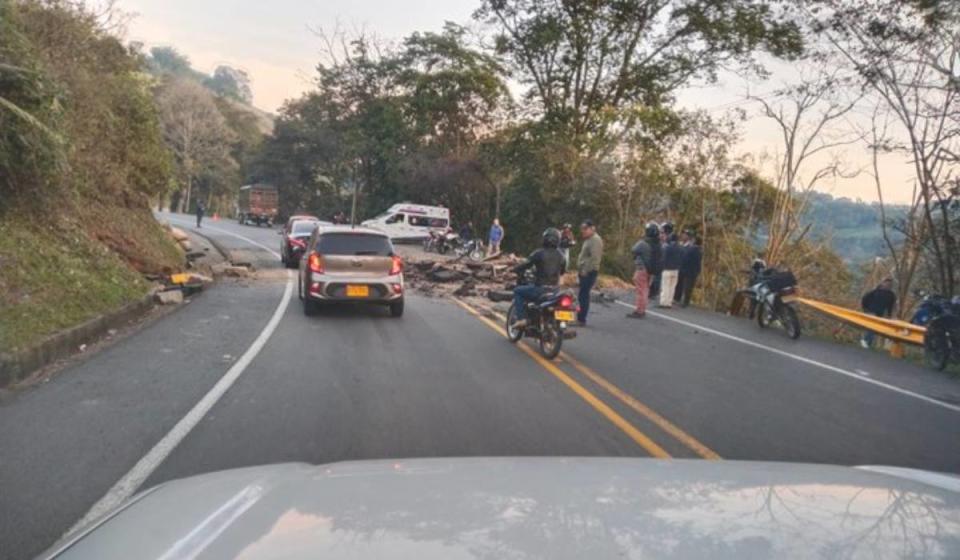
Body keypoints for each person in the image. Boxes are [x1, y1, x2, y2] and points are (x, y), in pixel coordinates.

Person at [511, 228, 566, 328]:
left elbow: (526, 264)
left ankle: (522, 319)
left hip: (540, 289)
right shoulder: (562, 256)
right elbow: (562, 272)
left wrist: (514, 269)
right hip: (555, 291)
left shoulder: (539, 253)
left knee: (517, 291)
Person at [627, 223, 661, 318]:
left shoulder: (643, 243)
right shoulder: (658, 244)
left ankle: (639, 310)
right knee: (645, 289)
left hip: (641, 268)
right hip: (651, 270)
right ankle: (642, 309)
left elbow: (633, 249)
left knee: (640, 290)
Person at [576, 220, 603, 326]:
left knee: (584, 295)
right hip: (584, 271)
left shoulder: (595, 240)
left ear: (592, 228)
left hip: (589, 272)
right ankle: (580, 317)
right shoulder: (589, 239)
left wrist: (585, 271)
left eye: (585, 229)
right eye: (582, 229)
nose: (583, 231)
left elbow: (594, 258)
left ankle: (581, 319)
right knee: (582, 294)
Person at [860, 278, 896, 348]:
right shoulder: (875, 291)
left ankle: (867, 342)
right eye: (887, 284)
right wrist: (865, 309)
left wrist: (889, 315)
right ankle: (865, 341)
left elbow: (890, 306)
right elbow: (865, 299)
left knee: (874, 328)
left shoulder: (891, 295)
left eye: (890, 285)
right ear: (883, 283)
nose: (888, 286)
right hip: (871, 311)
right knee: (872, 326)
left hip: (880, 313)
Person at [675, 230, 702, 307]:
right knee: (688, 286)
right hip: (693, 271)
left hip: (688, 270)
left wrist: (682, 267)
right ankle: (685, 301)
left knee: (687, 286)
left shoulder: (691, 249)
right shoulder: (699, 250)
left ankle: (683, 301)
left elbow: (685, 259)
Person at [660, 233, 682, 308]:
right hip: (676, 270)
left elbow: (663, 258)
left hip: (667, 269)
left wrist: (662, 266)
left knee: (665, 286)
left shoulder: (668, 248)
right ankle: (669, 302)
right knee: (672, 287)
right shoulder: (680, 248)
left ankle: (663, 302)